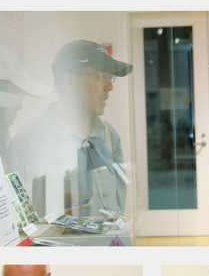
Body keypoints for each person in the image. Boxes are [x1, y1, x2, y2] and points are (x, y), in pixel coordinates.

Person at [9, 40, 132, 218]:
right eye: (102, 76)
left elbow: (118, 209)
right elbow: (20, 220)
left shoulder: (108, 135)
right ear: (70, 81)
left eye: (111, 77)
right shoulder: (29, 144)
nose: (110, 86)